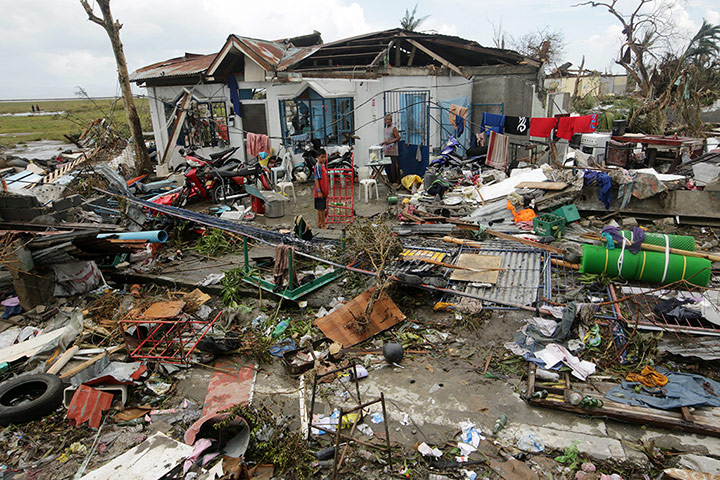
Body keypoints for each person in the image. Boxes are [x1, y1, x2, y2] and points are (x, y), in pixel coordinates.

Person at [380, 114, 401, 186]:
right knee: (387, 167)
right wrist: (383, 143)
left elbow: (398, 137)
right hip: (387, 151)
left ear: (391, 121)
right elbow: (387, 139)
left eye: (389, 120)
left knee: (393, 167)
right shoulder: (385, 129)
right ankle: (391, 180)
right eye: (386, 120)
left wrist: (390, 142)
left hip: (393, 151)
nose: (387, 121)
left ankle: (396, 181)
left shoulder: (393, 128)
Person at [313, 149, 329, 229]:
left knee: (321, 208)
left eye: (324, 157)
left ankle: (320, 222)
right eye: (322, 157)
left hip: (324, 191)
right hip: (320, 192)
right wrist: (319, 191)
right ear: (317, 157)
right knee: (321, 209)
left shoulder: (322, 166)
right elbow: (316, 179)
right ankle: (322, 224)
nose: (324, 159)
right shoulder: (318, 166)